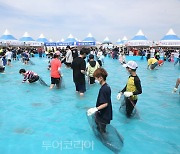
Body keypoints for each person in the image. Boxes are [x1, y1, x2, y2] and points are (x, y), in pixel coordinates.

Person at [87, 68, 112, 133]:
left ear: (100, 78)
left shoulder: (103, 89)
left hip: (103, 115)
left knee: (102, 132)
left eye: (96, 78)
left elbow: (105, 104)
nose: (95, 80)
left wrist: (95, 109)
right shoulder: (107, 86)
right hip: (106, 114)